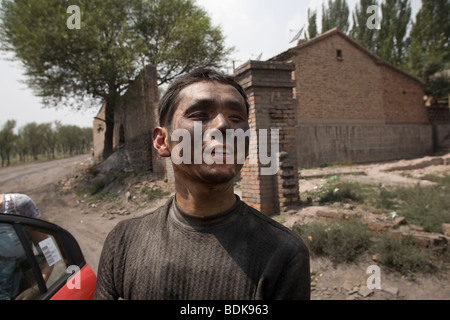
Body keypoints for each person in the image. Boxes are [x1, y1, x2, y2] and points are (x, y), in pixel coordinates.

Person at [94, 68, 310, 300]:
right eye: (199, 115)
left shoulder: (283, 253)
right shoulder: (124, 242)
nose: (223, 126)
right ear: (162, 141)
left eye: (236, 118)